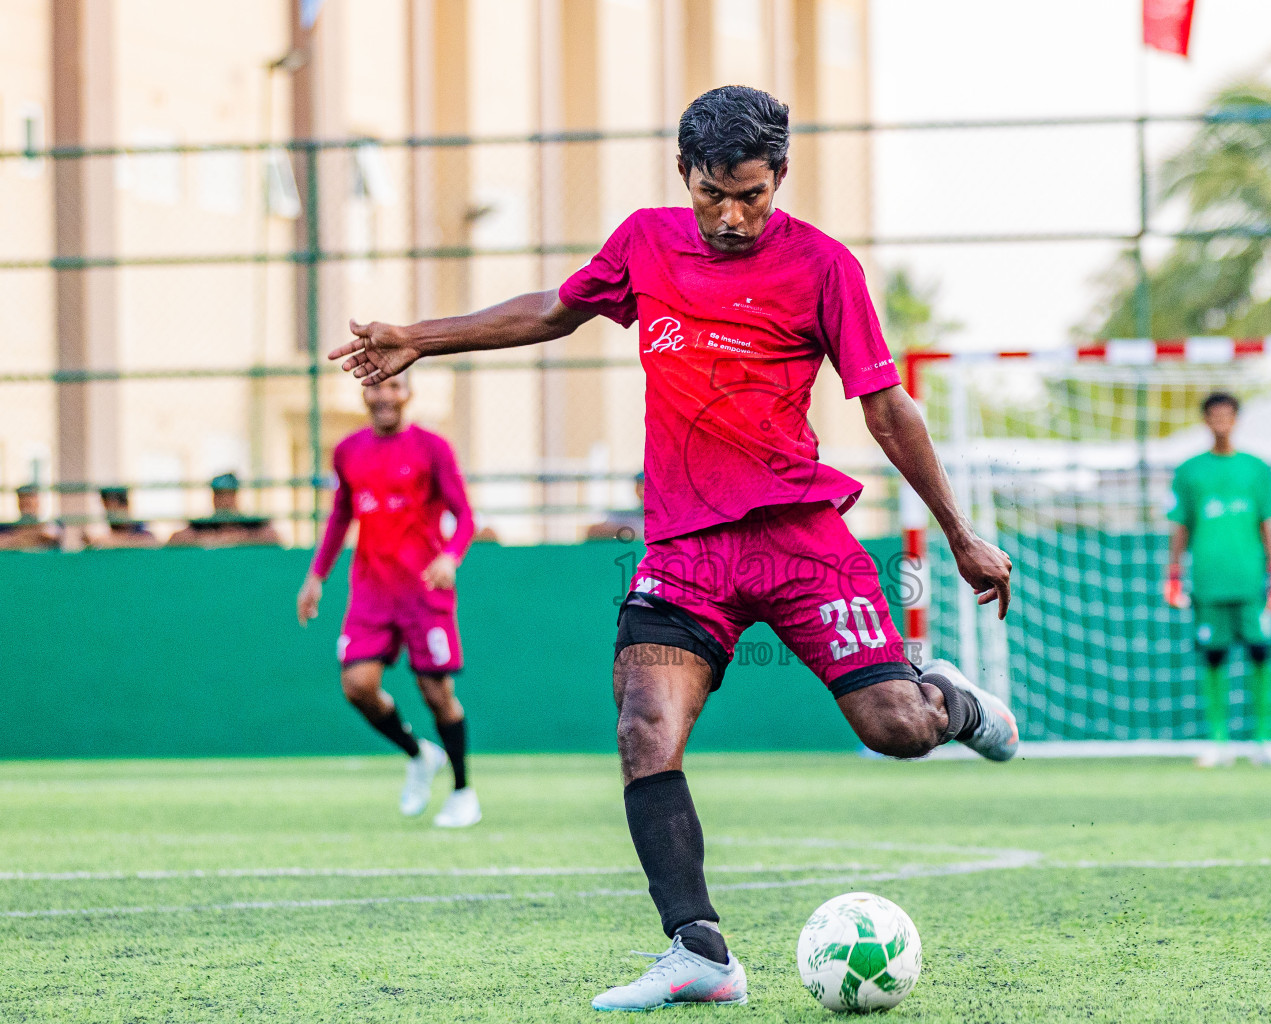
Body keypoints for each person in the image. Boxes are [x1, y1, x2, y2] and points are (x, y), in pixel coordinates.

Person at [332, 85, 1018, 1011]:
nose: (732, 216)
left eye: (752, 195)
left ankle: (949, 700)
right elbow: (552, 310)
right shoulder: (644, 242)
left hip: (801, 543)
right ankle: (699, 952)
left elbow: (886, 406)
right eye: (712, 194)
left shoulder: (824, 268)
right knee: (642, 725)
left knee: (894, 730)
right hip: (686, 552)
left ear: (781, 175)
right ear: (684, 176)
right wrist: (419, 336)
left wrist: (959, 532)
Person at [296, 374, 481, 828]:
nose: (384, 396)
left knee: (436, 694)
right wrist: (316, 576)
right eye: (376, 387)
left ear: (408, 393)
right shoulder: (348, 451)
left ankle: (462, 792)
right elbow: (342, 514)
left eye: (394, 387)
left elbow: (466, 517)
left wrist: (450, 557)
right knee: (357, 686)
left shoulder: (432, 448)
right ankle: (419, 754)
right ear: (365, 394)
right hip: (371, 592)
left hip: (424, 591)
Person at [1165, 392, 1271, 769]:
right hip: (1208, 580)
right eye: (1214, 416)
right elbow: (1180, 524)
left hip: (1250, 579)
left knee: (1260, 652)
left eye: (1227, 415)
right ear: (1205, 421)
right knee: (1214, 656)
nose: (1221, 422)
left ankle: (1263, 741)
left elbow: (1268, 521)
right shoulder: (1189, 471)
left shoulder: (1256, 469)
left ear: (1236, 420)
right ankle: (1219, 741)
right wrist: (1173, 574)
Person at [165, 473, 282, 548]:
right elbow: (174, 539)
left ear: (236, 496)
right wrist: (207, 539)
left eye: (228, 494)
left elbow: (274, 537)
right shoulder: (203, 524)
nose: (223, 500)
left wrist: (241, 539)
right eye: (219, 495)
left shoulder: (251, 523)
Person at [88, 486, 159, 549]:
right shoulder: (107, 536)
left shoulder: (143, 532)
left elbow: (149, 541)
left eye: (112, 507)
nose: (108, 513)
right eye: (106, 508)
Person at [586, 471, 646, 541]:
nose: (642, 491)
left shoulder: (660, 517)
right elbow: (592, 531)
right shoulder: (627, 515)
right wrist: (626, 532)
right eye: (640, 486)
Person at [0, 484, 60, 551]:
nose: (25, 503)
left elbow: (52, 535)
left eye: (29, 501)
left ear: (38, 501)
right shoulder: (7, 527)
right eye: (22, 499)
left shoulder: (52, 524)